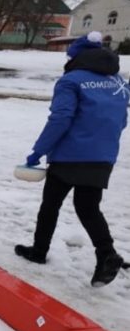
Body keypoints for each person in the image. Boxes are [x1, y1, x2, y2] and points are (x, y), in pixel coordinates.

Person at [15, 31, 129, 287]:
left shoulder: (71, 81)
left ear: (77, 57)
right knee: (88, 207)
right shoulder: (118, 83)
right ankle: (107, 254)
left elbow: (61, 118)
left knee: (51, 204)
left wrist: (38, 151)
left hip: (70, 155)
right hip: (103, 156)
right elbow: (122, 120)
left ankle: (39, 251)